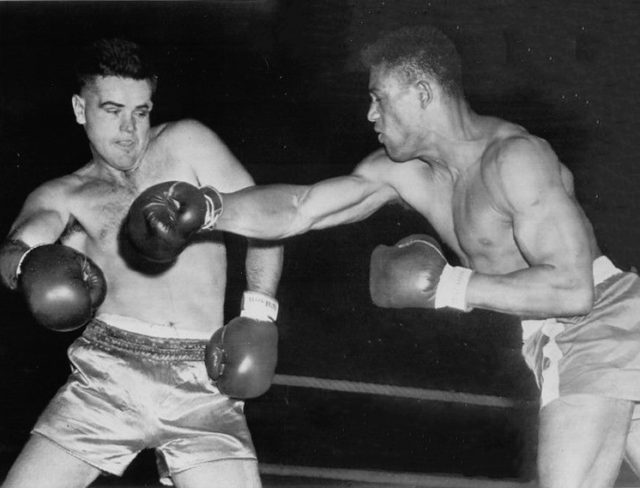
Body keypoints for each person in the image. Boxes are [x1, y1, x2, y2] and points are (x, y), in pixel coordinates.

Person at [161, 25, 640, 488]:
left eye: (379, 97)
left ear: (423, 92)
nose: (370, 114)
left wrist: (447, 287)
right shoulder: (403, 174)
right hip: (589, 331)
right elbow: (298, 209)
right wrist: (208, 208)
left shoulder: (514, 160)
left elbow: (574, 290)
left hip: (597, 323)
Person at [0, 38, 283, 488]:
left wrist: (259, 312)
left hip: (203, 378)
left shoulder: (188, 143)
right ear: (79, 108)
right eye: (112, 110)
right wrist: (30, 267)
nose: (130, 129)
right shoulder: (64, 194)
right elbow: (17, 248)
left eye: (141, 111)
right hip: (105, 378)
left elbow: (266, 217)